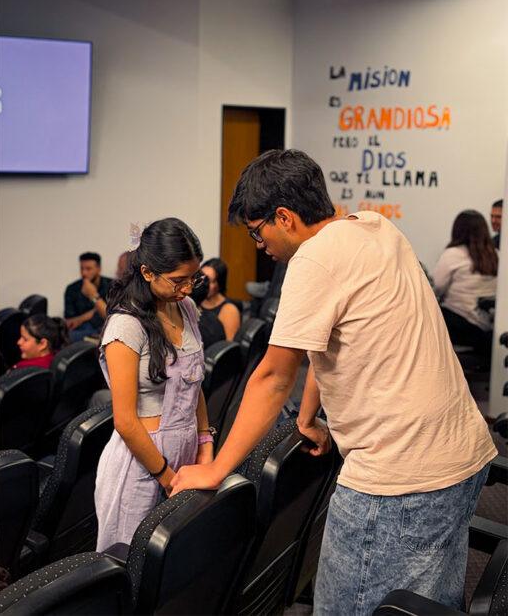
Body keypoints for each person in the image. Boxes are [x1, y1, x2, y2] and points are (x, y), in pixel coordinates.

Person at [171, 149, 496, 616]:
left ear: (283, 217)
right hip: (459, 456)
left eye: (257, 232)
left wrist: (217, 469)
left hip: (399, 481)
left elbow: (272, 377)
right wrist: (308, 418)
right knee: (424, 607)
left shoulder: (313, 261)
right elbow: (332, 341)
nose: (259, 246)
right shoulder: (375, 227)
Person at [93, 218, 214, 552]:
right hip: (142, 463)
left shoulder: (186, 308)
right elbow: (126, 422)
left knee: (173, 561)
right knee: (129, 563)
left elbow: (194, 383)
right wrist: (166, 476)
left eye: (193, 277)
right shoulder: (126, 326)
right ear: (147, 273)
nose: (188, 288)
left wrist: (205, 442)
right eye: (178, 280)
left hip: (186, 453)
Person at [433, 209, 498, 358]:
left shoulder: (453, 254)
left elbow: (436, 289)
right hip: (486, 327)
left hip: (458, 324)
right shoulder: (497, 255)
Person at [64, 252, 113, 342]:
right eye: (81, 269)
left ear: (99, 269)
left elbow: (110, 315)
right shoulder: (72, 289)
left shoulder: (111, 285)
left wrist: (92, 296)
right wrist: (94, 312)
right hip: (81, 330)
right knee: (68, 336)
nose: (84, 273)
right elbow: (70, 321)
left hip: (104, 329)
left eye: (88, 269)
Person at [198, 257, 241, 341]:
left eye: (208, 281)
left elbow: (228, 349)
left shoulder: (229, 310)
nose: (203, 284)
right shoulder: (194, 302)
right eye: (201, 278)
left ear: (219, 285)